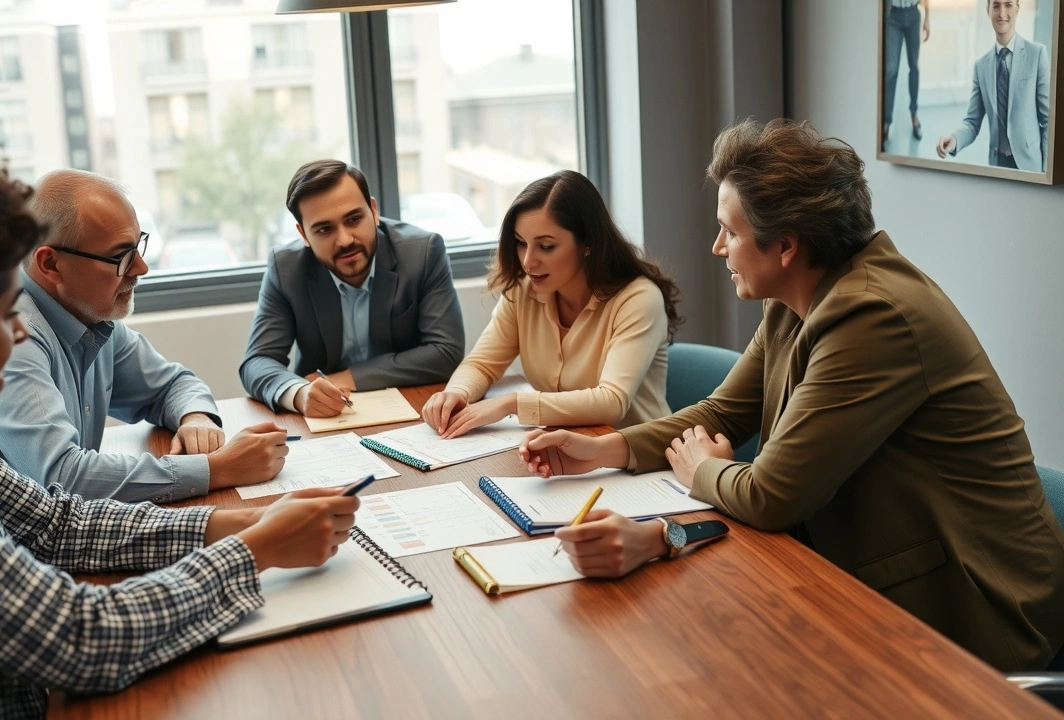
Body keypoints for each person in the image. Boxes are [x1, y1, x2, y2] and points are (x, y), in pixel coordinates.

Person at [0, 135, 359, 717]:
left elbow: (52, 523)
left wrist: (243, 521)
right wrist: (259, 548)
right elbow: (81, 639)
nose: (17, 334)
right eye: (4, 312)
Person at [519, 119, 1064, 672]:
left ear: (785, 245)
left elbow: (771, 494)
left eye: (729, 232)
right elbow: (722, 413)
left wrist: (702, 471)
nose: (717, 247)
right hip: (871, 572)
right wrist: (605, 450)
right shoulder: (795, 299)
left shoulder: (872, 315)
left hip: (974, 608)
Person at [0, 169, 287, 503]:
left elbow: (171, 385)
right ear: (51, 264)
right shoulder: (10, 337)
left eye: (138, 245)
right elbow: (62, 477)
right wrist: (218, 468)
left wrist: (196, 418)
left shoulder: (87, 311)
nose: (141, 268)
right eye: (121, 255)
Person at [421, 170, 681, 438]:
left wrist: (510, 404)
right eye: (521, 243)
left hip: (640, 460)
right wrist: (456, 393)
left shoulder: (638, 299)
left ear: (588, 243)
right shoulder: (523, 291)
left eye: (546, 246)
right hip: (566, 450)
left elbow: (612, 401)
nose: (528, 261)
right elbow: (482, 364)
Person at [239, 159, 464, 417]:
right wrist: (298, 393)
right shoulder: (286, 268)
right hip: (326, 419)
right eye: (324, 229)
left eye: (354, 219)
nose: (345, 240)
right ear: (303, 235)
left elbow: (446, 351)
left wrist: (347, 378)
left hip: (412, 409)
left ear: (374, 210)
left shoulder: (422, 252)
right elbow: (256, 362)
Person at [936, 0, 1050, 171]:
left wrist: (1046, 172)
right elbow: (972, 123)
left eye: (1008, 5)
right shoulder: (981, 67)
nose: (1002, 13)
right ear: (988, 10)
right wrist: (954, 139)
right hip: (997, 168)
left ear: (1017, 9)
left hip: (1031, 168)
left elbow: (1048, 120)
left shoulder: (1037, 55)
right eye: (996, 6)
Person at [882, 0, 929, 145]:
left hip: (913, 14)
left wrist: (927, 17)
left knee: (914, 65)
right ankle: (886, 121)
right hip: (893, 15)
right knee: (891, 69)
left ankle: (914, 115)